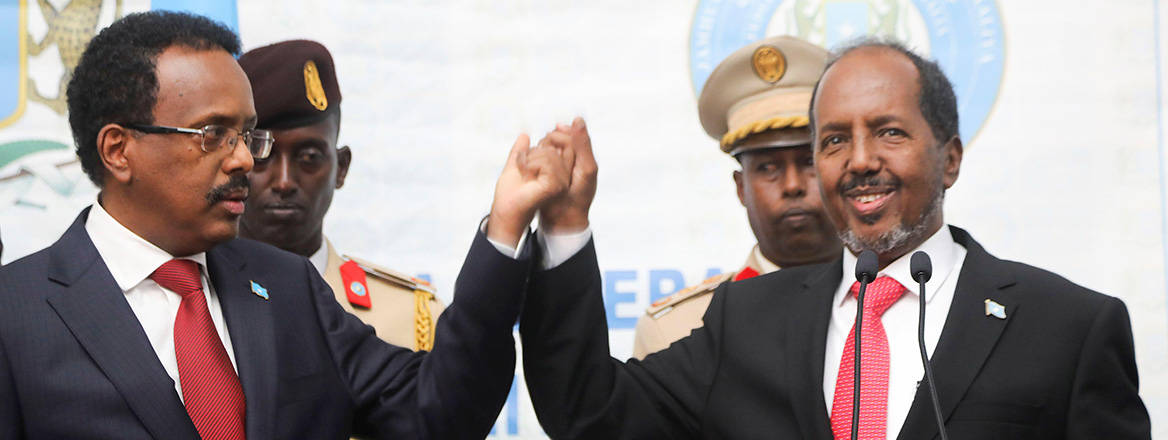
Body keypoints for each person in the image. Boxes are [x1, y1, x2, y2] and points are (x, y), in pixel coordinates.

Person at [518, 38, 1151, 439]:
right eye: (835, 140)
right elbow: (588, 412)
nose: (860, 160)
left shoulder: (1066, 327)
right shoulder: (747, 320)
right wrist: (567, 226)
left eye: (890, 132)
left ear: (950, 158)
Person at [0, 11, 577, 439]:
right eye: (212, 135)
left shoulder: (287, 287)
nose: (244, 161)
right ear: (118, 150)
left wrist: (503, 229)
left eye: (247, 134)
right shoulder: (15, 315)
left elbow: (440, 412)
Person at [632, 36, 841, 358]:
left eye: (808, 162)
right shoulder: (680, 329)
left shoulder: (907, 303)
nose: (792, 184)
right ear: (741, 187)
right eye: (768, 168)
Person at [236, 40, 443, 352]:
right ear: (236, 162)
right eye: (263, 155)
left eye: (309, 157)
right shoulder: (192, 304)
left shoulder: (410, 318)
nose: (284, 182)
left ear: (341, 168)